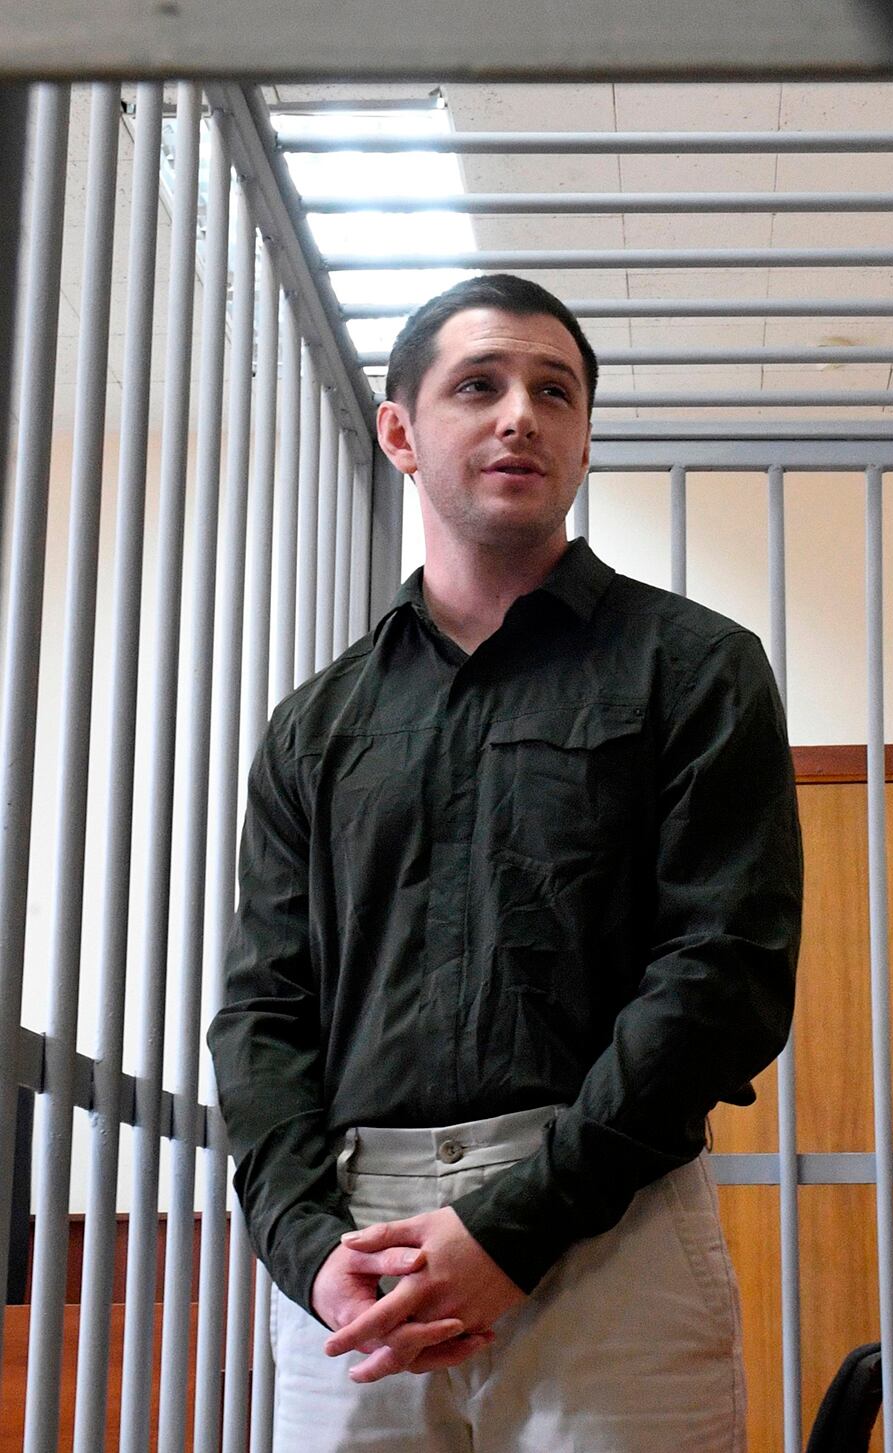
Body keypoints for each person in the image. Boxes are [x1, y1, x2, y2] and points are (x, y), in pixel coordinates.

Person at [210, 273, 804, 1451]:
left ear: (584, 438)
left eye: (554, 390)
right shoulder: (311, 728)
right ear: (399, 431)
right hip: (356, 1245)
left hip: (611, 1218)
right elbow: (262, 1014)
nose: (519, 413)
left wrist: (511, 1227)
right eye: (477, 385)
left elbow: (721, 975)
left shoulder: (695, 669)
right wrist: (308, 1247)